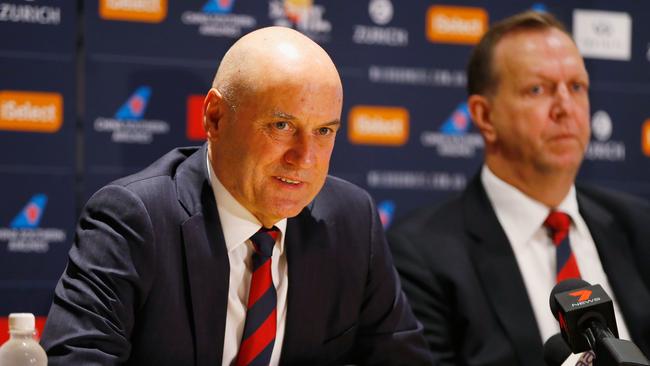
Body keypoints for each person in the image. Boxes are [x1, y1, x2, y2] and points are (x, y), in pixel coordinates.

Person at [41, 26, 432, 365]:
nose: (305, 158)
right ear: (215, 118)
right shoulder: (133, 220)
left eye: (324, 132)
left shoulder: (352, 219)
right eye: (281, 125)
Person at [387, 10, 650, 366]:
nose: (565, 107)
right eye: (538, 89)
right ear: (484, 116)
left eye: (576, 87)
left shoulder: (638, 226)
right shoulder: (419, 255)